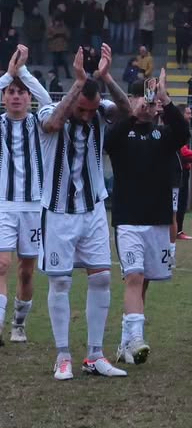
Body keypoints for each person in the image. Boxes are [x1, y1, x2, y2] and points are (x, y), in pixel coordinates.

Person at [38, 43, 132, 380]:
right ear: (74, 98)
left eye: (94, 111)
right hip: (59, 211)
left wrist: (106, 78)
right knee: (61, 281)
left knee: (103, 277)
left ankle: (94, 355)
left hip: (92, 208)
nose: (90, 115)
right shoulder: (51, 109)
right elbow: (52, 125)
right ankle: (62, 355)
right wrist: (78, 83)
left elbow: (127, 109)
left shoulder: (99, 108)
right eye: (84, 110)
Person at [106, 70, 189, 365]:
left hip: (157, 219)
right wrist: (131, 114)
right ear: (129, 99)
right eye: (143, 96)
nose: (148, 103)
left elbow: (182, 134)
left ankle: (125, 342)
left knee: (144, 282)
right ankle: (137, 338)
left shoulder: (162, 135)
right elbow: (109, 141)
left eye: (151, 98)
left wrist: (166, 100)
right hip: (128, 218)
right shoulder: (120, 129)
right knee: (134, 276)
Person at [0, 46, 52, 345]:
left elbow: (48, 102)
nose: (17, 96)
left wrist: (24, 72)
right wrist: (8, 74)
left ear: (28, 98)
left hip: (34, 206)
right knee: (2, 265)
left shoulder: (40, 124)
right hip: (4, 205)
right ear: (4, 97)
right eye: (11, 91)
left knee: (27, 271)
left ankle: (18, 323)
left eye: (21, 92)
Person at [175, 104, 192, 241]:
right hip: (179, 172)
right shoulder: (180, 129)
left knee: (181, 202)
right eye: (188, 113)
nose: (190, 116)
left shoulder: (183, 128)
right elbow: (182, 151)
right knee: (179, 202)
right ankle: (177, 231)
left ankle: (178, 230)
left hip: (183, 170)